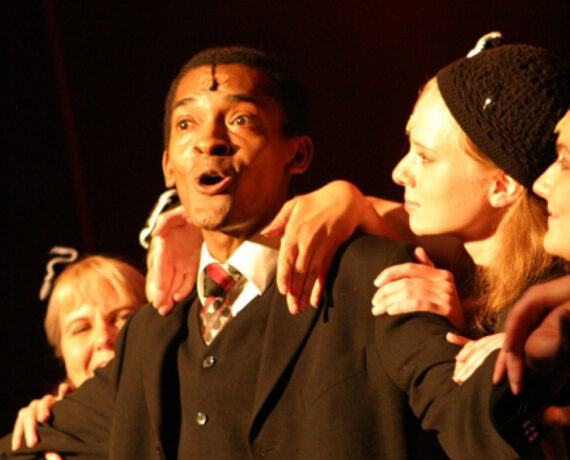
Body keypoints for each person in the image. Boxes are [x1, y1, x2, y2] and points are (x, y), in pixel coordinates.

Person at [1, 45, 529, 460]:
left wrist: (531, 367)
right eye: (186, 124)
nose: (208, 140)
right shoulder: (149, 335)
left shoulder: (371, 276)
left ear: (297, 154)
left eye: (240, 120)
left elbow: (475, 417)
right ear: (167, 166)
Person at [9, 252, 146, 456]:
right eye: (81, 328)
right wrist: (51, 426)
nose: (103, 338)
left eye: (123, 317)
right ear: (61, 352)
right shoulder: (47, 432)